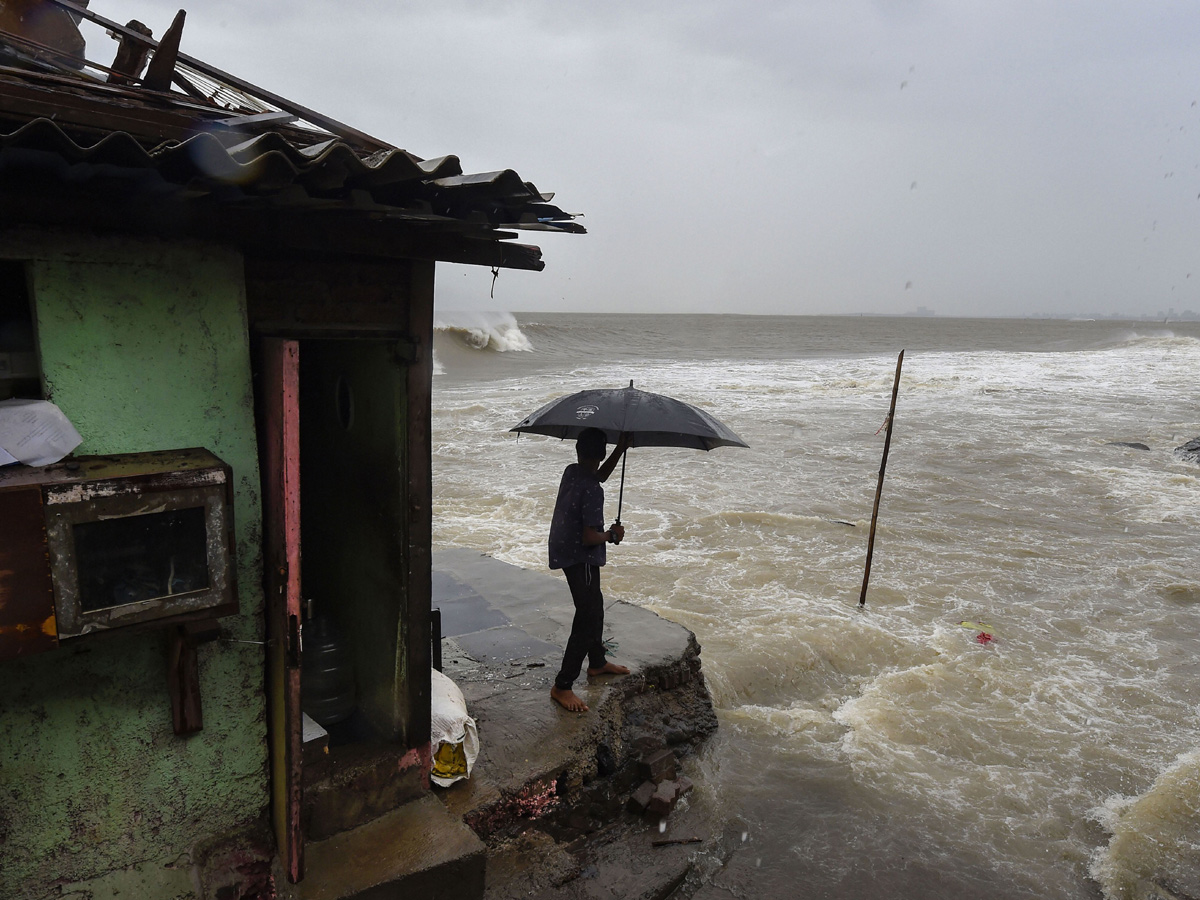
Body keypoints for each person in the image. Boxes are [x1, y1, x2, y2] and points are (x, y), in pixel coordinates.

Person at [548, 427, 634, 712]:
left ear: (577, 450)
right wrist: (612, 535)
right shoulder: (593, 491)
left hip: (562, 546)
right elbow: (589, 537)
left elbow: (598, 475)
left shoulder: (571, 472)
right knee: (587, 616)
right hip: (579, 555)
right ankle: (563, 685)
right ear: (600, 453)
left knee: (594, 606)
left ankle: (597, 662)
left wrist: (620, 449)